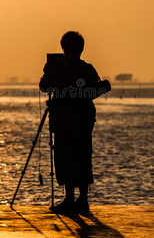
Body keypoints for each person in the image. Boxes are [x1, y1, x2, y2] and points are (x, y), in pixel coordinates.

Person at [39, 31, 100, 212]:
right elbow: (95, 90)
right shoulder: (88, 69)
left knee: (65, 157)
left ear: (63, 48)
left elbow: (43, 86)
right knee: (83, 155)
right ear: (81, 49)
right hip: (84, 120)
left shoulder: (58, 69)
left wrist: (47, 71)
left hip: (64, 120)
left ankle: (69, 199)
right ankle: (82, 199)